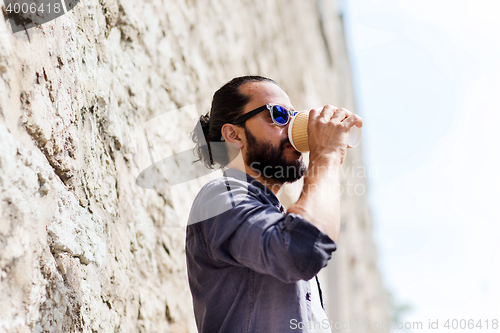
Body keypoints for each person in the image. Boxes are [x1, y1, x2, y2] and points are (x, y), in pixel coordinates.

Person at [186, 76, 363, 332]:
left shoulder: (279, 217)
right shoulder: (221, 197)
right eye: (279, 115)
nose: (292, 127)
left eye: (295, 116)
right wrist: (326, 154)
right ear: (234, 134)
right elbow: (301, 249)